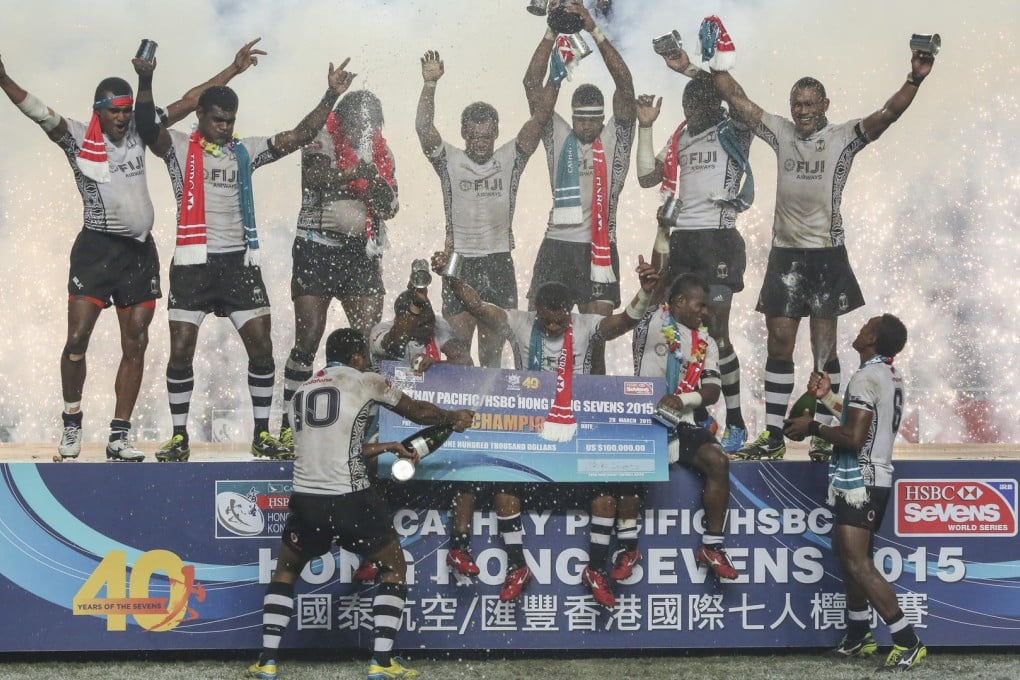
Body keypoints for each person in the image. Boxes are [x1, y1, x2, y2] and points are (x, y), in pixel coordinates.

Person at [0, 40, 265, 461]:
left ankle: (119, 435)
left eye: (127, 110)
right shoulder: (75, 138)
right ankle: (72, 423)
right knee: (76, 340)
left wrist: (231, 70)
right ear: (98, 110)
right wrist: (3, 79)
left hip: (140, 255)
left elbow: (189, 102)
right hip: (96, 251)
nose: (123, 118)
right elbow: (38, 110)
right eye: (115, 111)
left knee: (136, 344)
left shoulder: (143, 130)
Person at [699, 16, 934, 461]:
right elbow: (739, 100)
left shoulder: (843, 136)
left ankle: (825, 434)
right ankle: (771, 435)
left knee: (823, 350)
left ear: (824, 103)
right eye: (796, 104)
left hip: (826, 256)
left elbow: (887, 115)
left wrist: (914, 79)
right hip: (785, 255)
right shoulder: (780, 131)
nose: (802, 111)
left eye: (809, 104)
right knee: (779, 342)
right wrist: (715, 64)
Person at [135, 57, 358, 462]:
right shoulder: (179, 149)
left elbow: (301, 135)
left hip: (239, 265)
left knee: (262, 349)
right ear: (200, 115)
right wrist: (146, 77)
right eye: (218, 119)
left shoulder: (245, 151)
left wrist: (331, 94)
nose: (225, 126)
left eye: (230, 120)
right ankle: (179, 437)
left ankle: (262, 434)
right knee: (181, 351)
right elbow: (148, 126)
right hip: (192, 265)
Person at [246, 327, 474, 680]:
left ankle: (267, 661)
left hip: (306, 499)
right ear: (355, 357)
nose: (368, 361)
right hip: (350, 497)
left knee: (286, 572)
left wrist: (382, 447)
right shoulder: (365, 380)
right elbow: (417, 411)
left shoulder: (300, 393)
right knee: (394, 567)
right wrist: (451, 417)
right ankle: (381, 663)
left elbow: (329, 447)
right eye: (365, 356)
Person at [431, 249, 658, 602]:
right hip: (530, 429)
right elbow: (477, 307)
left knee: (605, 492)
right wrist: (451, 273)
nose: (554, 327)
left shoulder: (584, 325)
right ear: (536, 309)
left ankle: (596, 569)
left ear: (569, 312)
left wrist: (644, 293)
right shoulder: (517, 321)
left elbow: (624, 322)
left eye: (560, 321)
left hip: (576, 426)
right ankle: (517, 565)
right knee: (504, 482)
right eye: (548, 320)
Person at [784, 314, 924, 671]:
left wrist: (812, 425)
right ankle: (859, 633)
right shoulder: (886, 373)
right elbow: (862, 423)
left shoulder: (866, 376)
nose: (861, 329)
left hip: (863, 480)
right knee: (847, 557)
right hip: (868, 478)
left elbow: (853, 437)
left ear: (873, 337)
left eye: (867, 326)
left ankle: (908, 641)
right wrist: (828, 397)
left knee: (857, 562)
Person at [635, 62, 755, 455]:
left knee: (716, 332)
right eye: (686, 107)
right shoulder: (682, 135)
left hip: (719, 240)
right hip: (684, 239)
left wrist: (693, 70)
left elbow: (738, 102)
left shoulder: (734, 128)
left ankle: (736, 421)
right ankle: (692, 410)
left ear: (714, 103)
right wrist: (647, 125)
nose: (690, 113)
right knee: (673, 327)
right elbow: (646, 178)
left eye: (697, 105)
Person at [414, 50, 554, 368]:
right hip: (459, 261)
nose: (481, 143)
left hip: (498, 260)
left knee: (492, 353)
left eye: (487, 136)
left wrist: (556, 79)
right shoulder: (450, 160)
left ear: (496, 132)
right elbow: (424, 129)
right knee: (459, 351)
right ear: (464, 132)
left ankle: (490, 413)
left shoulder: (510, 158)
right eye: (475, 136)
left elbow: (540, 120)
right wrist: (430, 84)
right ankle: (459, 414)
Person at [280, 88, 399, 450]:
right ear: (343, 121)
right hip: (317, 244)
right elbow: (313, 178)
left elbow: (391, 205)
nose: (365, 129)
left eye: (372, 123)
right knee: (309, 336)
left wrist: (378, 187)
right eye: (358, 122)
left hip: (361, 251)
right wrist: (354, 171)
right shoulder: (321, 135)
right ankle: (289, 426)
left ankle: (365, 427)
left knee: (368, 341)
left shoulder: (384, 151)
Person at [522, 1, 636, 342]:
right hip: (557, 244)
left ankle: (592, 394)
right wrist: (551, 30)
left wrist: (593, 29)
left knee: (595, 338)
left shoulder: (617, 137)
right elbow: (531, 84)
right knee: (535, 334)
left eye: (593, 119)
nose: (586, 126)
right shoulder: (558, 135)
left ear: (604, 119)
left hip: (598, 247)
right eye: (580, 119)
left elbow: (625, 86)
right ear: (571, 118)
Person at [626, 274, 740, 607]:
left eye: (706, 305)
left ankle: (713, 545)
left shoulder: (708, 343)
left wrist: (683, 399)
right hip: (643, 419)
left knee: (718, 461)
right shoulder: (650, 327)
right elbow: (642, 302)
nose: (705, 311)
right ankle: (626, 546)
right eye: (699, 304)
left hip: (684, 421)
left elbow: (713, 390)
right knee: (631, 465)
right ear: (678, 302)